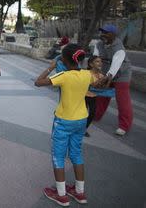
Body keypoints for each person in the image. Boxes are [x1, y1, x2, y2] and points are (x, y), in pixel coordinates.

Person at [35, 44, 106, 206]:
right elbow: (99, 83)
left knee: (58, 156)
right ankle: (79, 192)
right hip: (81, 120)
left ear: (64, 60)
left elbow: (38, 82)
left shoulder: (63, 76)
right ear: (81, 59)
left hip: (63, 121)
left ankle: (61, 195)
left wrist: (51, 66)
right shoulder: (87, 74)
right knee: (76, 154)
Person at [93, 24, 133, 136]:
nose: (103, 35)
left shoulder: (119, 49)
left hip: (121, 75)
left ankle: (124, 126)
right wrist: (95, 74)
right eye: (102, 32)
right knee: (101, 96)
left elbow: (114, 67)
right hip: (105, 72)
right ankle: (95, 116)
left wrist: (107, 79)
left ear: (113, 34)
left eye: (106, 33)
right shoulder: (99, 44)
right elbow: (95, 60)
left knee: (122, 100)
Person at [84, 56, 115, 137]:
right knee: (82, 114)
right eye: (97, 61)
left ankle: (84, 129)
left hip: (93, 97)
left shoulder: (101, 75)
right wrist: (103, 79)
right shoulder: (87, 73)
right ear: (91, 64)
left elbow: (104, 87)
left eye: (101, 61)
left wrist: (109, 80)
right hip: (84, 96)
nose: (100, 63)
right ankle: (77, 128)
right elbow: (93, 86)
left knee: (92, 113)